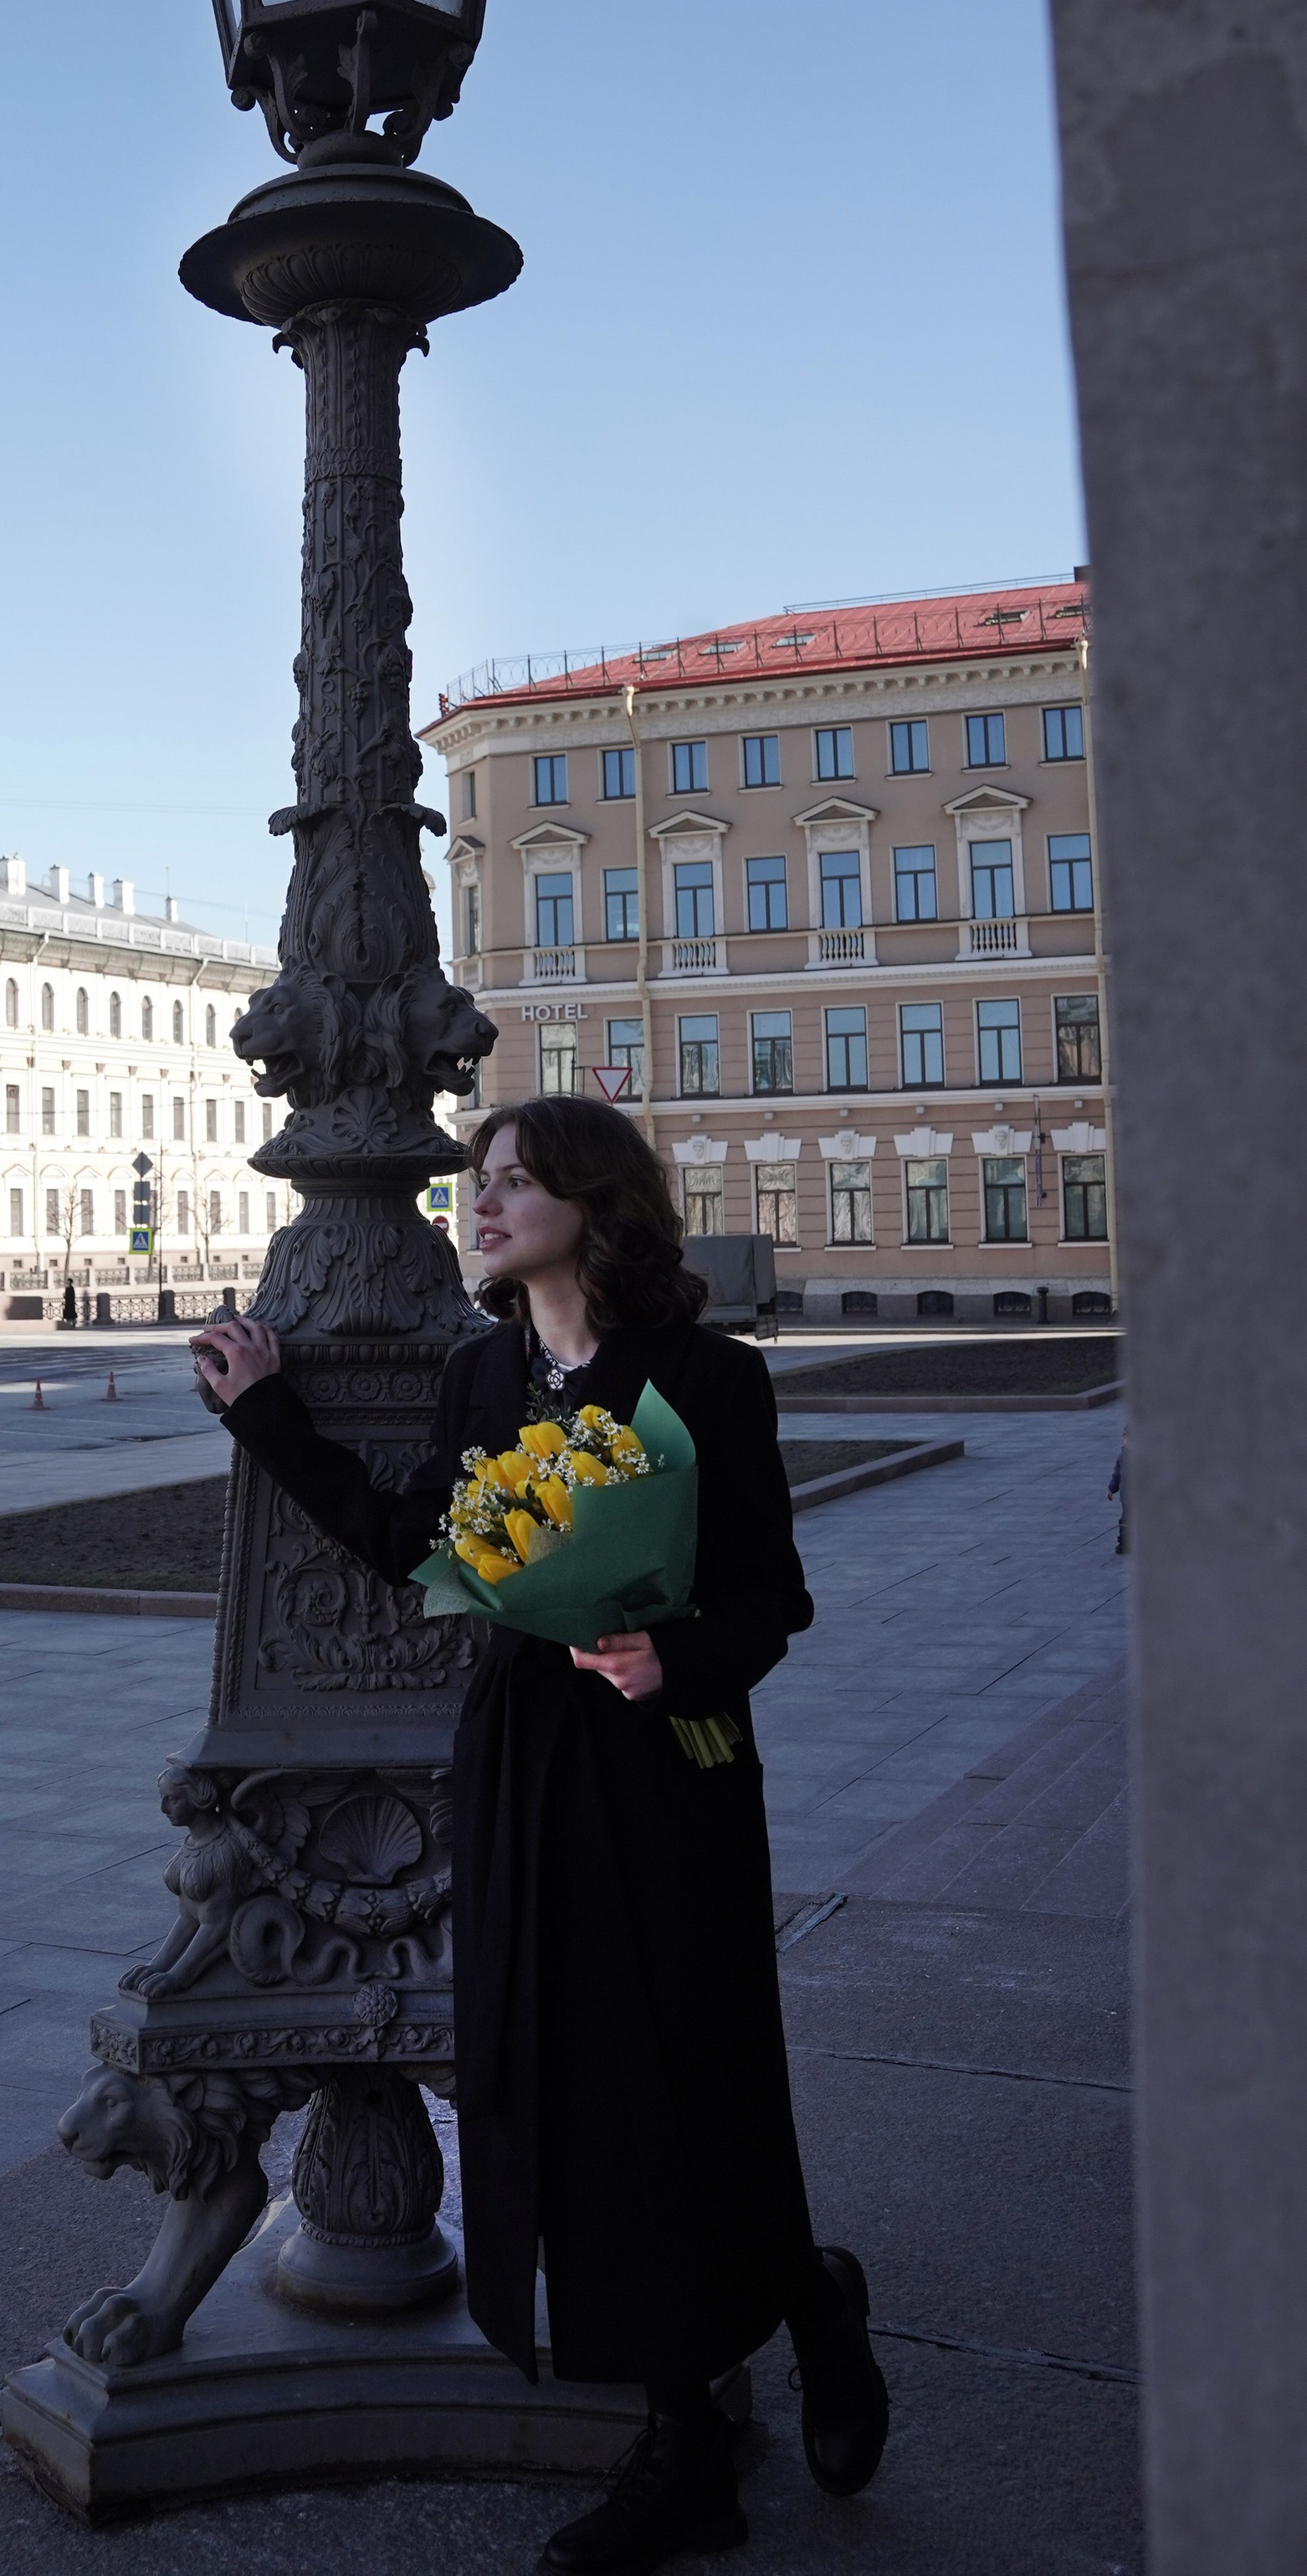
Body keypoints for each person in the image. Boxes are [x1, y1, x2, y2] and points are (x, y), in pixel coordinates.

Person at [193, 1096, 889, 2573]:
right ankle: (685, 2441)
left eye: (515, 1182)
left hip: (669, 1768)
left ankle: (809, 2298)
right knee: (574, 2081)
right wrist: (264, 1413)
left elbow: (771, 1599)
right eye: (481, 1182)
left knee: (695, 2075)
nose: (484, 1203)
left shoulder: (703, 1378)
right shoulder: (484, 1374)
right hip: (523, 1761)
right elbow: (414, 1549)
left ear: (594, 1203)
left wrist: (673, 1657)